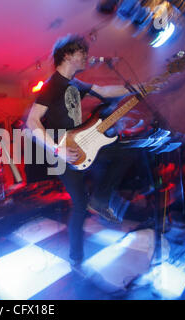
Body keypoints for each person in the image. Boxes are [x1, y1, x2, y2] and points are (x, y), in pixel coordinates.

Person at [26, 34, 144, 272]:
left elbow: (102, 90)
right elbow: (32, 121)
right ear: (68, 55)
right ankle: (75, 257)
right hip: (64, 155)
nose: (87, 57)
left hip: (84, 145)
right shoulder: (53, 85)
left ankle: (101, 197)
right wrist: (57, 149)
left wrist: (136, 88)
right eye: (82, 52)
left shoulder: (75, 85)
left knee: (126, 152)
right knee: (79, 205)